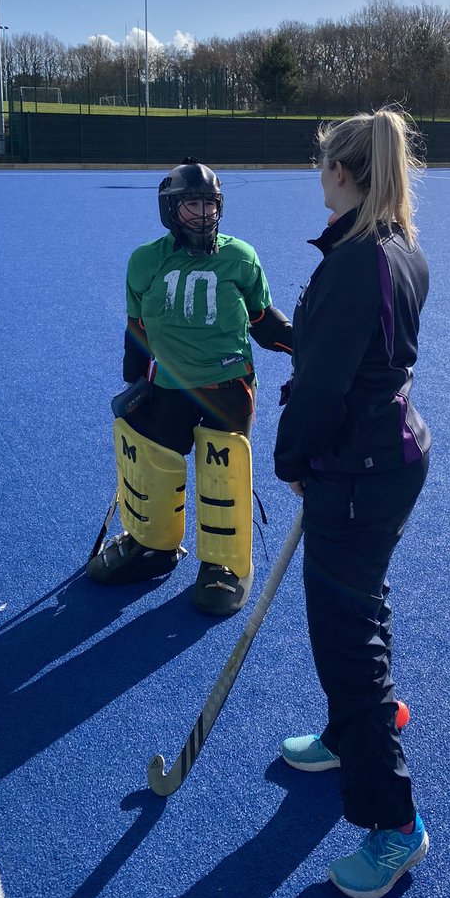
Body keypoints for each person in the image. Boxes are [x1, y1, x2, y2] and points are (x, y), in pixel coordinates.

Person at [273, 109, 432, 898]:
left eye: (322, 167)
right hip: (394, 459)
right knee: (363, 603)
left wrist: (292, 459)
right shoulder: (403, 249)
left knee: (346, 645)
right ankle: (349, 732)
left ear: (340, 173)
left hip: (357, 472)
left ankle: (395, 824)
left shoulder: (353, 262)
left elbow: (325, 387)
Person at [88, 158, 292, 617]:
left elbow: (262, 320)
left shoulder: (241, 256)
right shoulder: (145, 261)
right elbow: (136, 329)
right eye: (191, 206)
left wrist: (304, 345)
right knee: (149, 463)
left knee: (223, 471)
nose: (203, 214)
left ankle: (225, 563)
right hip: (165, 387)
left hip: (227, 385)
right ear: (170, 210)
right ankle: (151, 545)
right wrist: (134, 382)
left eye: (209, 204)